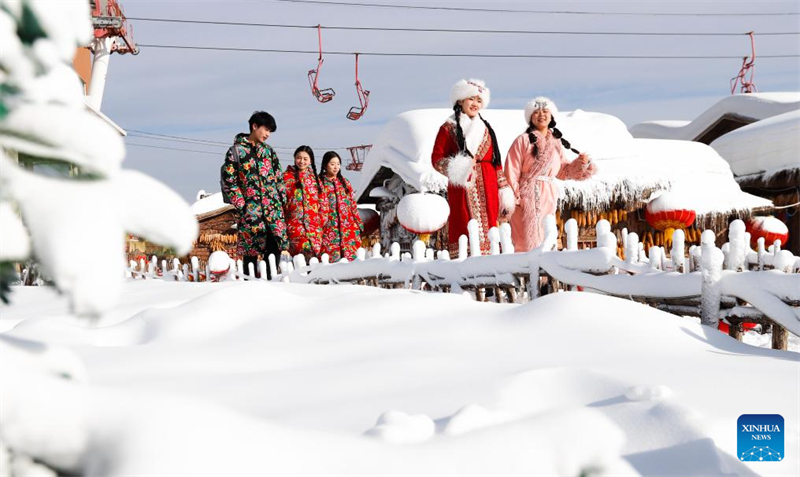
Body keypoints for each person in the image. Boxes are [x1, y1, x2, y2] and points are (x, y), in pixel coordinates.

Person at [431, 78, 515, 257]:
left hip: (489, 184)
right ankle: (463, 261)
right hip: (463, 186)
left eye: (479, 100)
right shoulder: (448, 127)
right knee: (463, 224)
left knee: (490, 227)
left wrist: (503, 188)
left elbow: (495, 161)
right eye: (471, 99)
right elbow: (437, 159)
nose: (475, 104)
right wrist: (460, 168)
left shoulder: (487, 128)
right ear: (460, 100)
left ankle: (490, 261)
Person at [505, 97, 597, 251]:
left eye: (545, 111)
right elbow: (511, 171)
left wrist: (581, 164)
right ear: (530, 117)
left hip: (548, 195)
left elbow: (563, 171)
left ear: (551, 116)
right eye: (536, 112)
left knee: (546, 236)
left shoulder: (556, 143)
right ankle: (524, 266)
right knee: (524, 240)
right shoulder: (522, 140)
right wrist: (516, 198)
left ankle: (544, 265)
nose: (541, 115)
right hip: (525, 195)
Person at [221, 111, 288, 277]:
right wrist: (243, 207)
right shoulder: (236, 152)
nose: (268, 134)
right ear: (254, 126)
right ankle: (249, 286)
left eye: (270, 131)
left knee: (274, 250)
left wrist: (282, 201)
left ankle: (271, 282)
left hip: (273, 211)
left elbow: (279, 178)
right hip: (251, 212)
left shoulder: (269, 152)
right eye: (266, 129)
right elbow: (230, 182)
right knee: (250, 253)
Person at [284, 145, 328, 260]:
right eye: (299, 158)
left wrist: (320, 222)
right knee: (299, 259)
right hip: (295, 226)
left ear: (310, 161)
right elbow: (281, 202)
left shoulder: (315, 179)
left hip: (314, 228)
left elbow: (323, 202)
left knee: (314, 260)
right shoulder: (286, 177)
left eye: (305, 158)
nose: (301, 161)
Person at [319, 151, 363, 262]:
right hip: (329, 229)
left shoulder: (345, 183)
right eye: (332, 164)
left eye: (338, 164)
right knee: (330, 261)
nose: (336, 167)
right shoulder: (319, 183)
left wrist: (358, 225)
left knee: (351, 261)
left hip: (348, 228)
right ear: (325, 165)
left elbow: (353, 205)